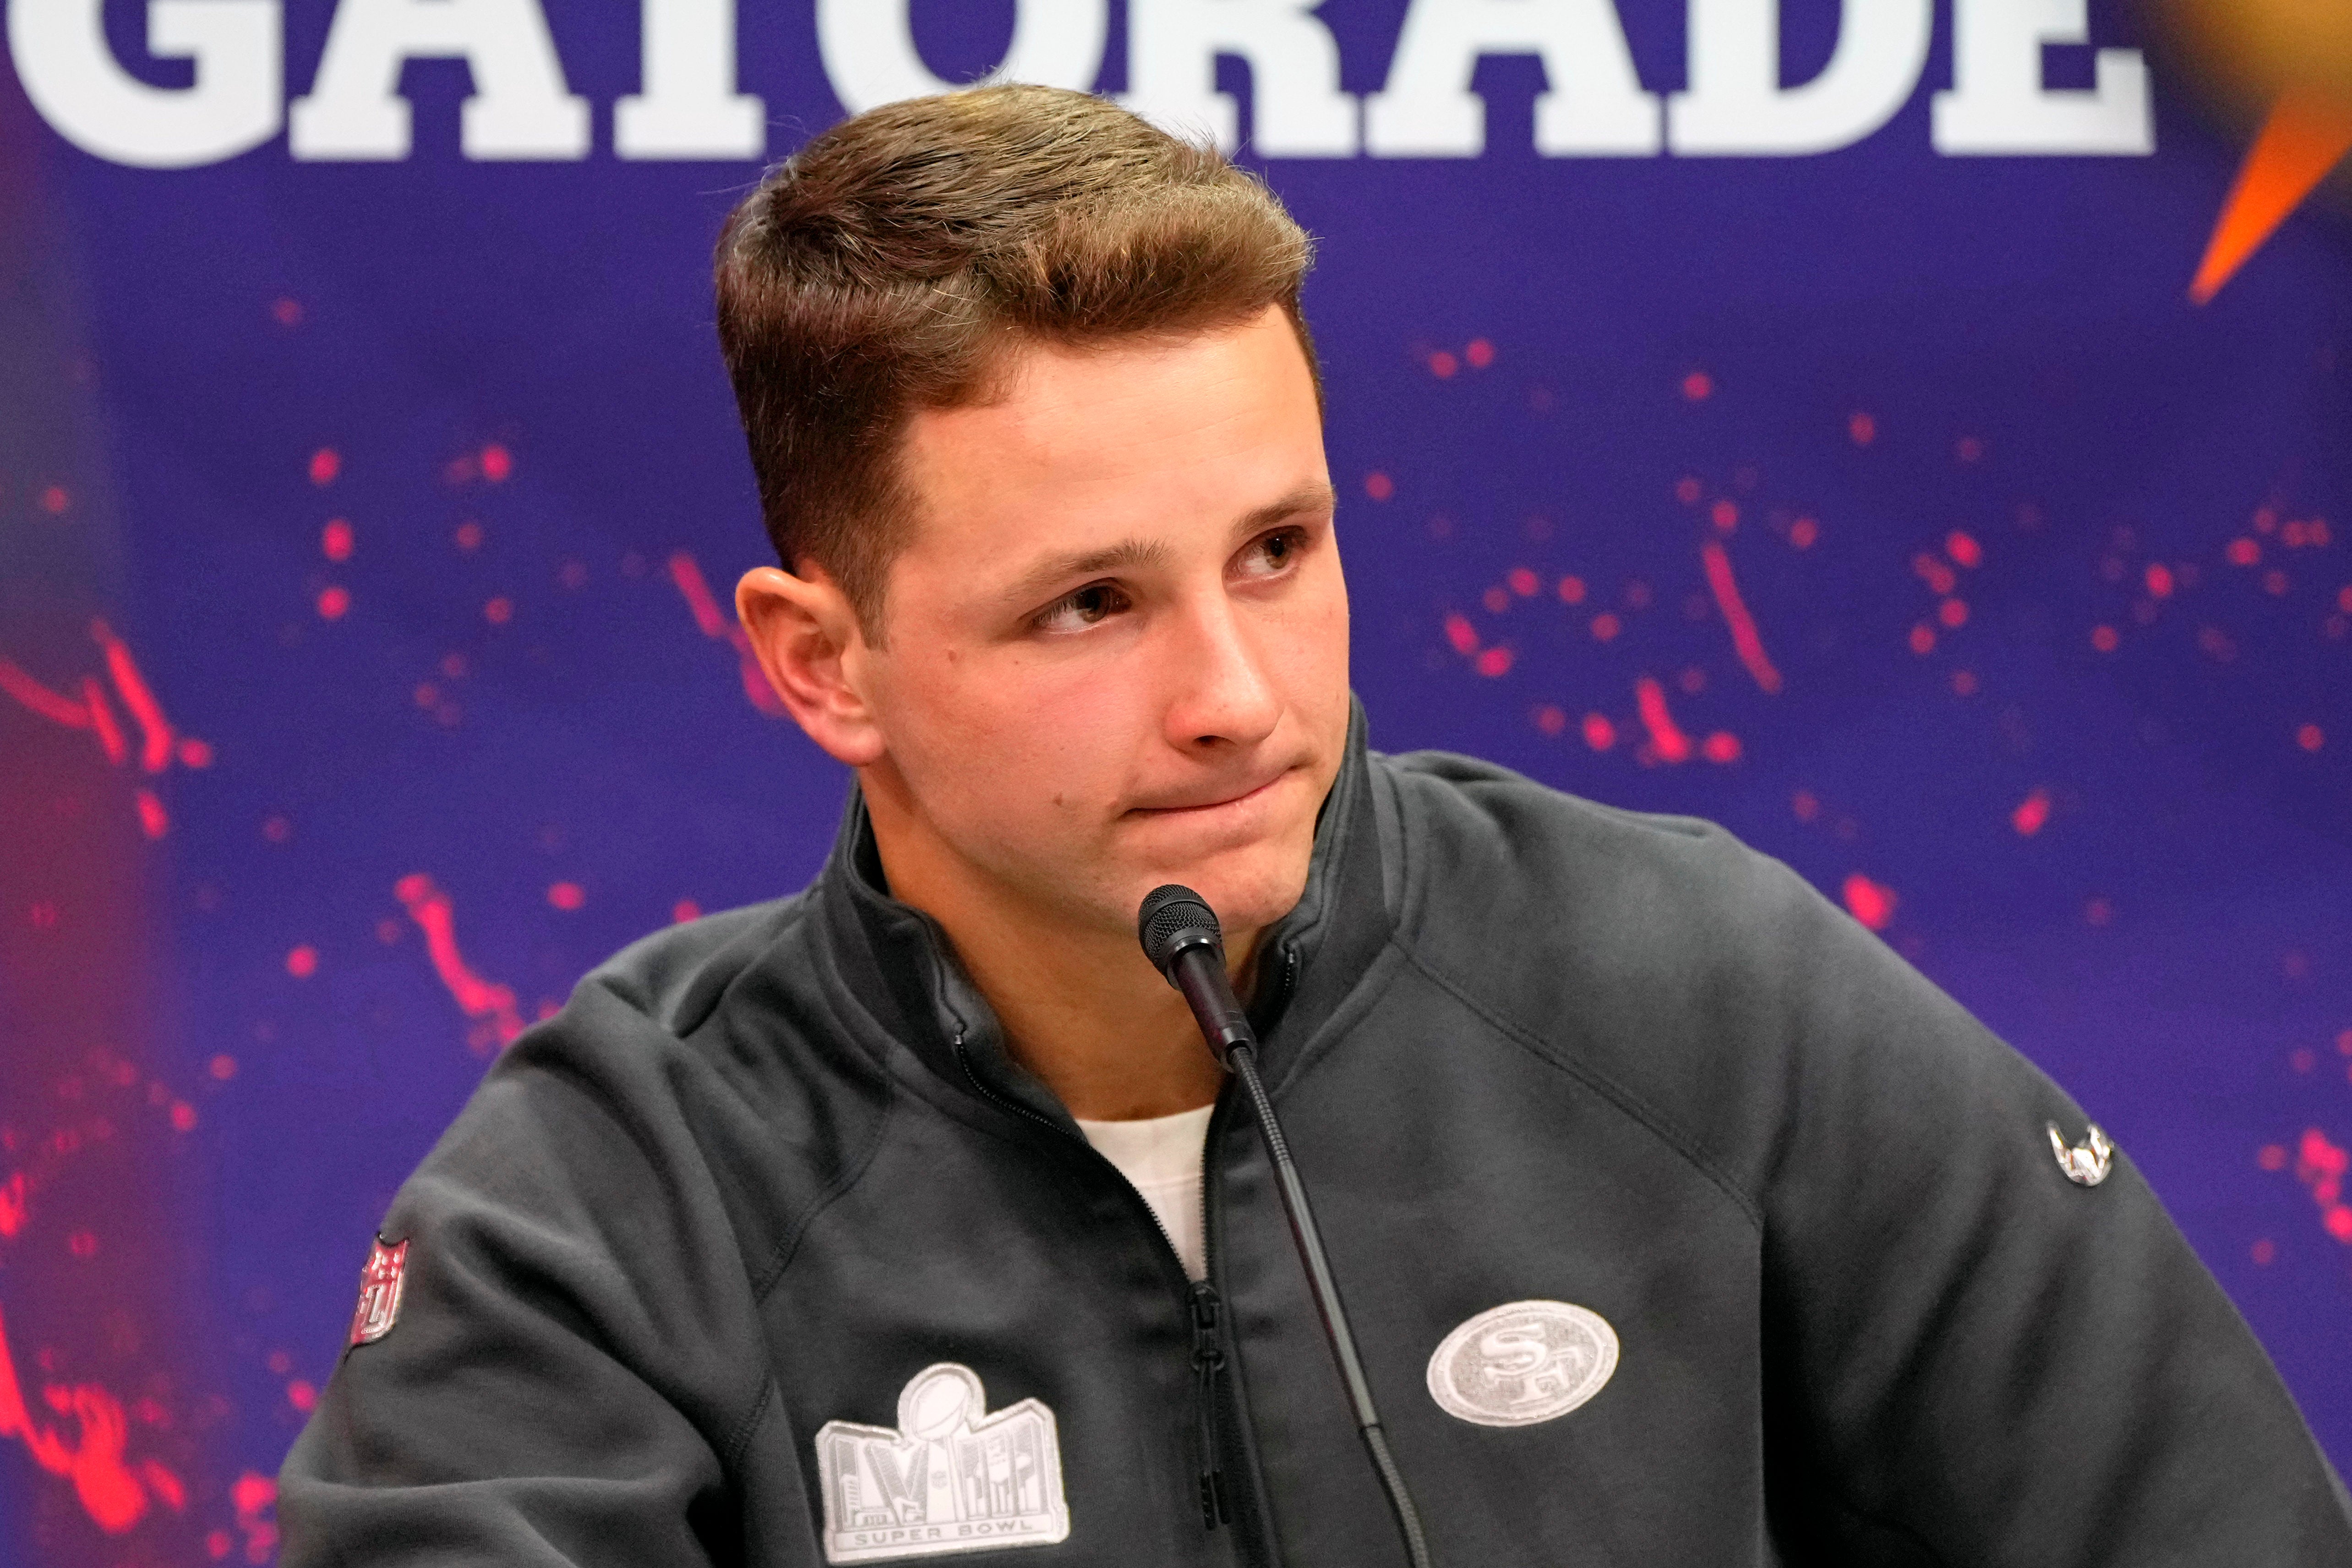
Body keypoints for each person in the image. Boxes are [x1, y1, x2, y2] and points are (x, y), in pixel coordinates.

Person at [278, 84, 2352, 1566]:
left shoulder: (1707, 1002)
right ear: (823, 664)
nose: (1238, 698)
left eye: (1278, 550)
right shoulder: (615, 1194)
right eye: (1091, 603)